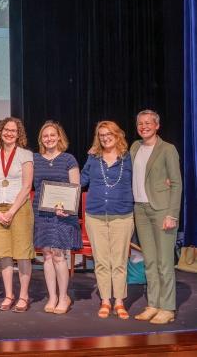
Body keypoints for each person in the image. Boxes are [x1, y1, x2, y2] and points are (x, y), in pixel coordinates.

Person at [131, 110, 182, 324]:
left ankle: (167, 308)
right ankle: (153, 304)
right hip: (140, 210)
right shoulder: (134, 147)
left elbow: (176, 183)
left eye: (148, 123)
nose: (144, 126)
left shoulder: (167, 149)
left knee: (164, 262)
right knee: (149, 262)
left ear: (157, 126)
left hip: (162, 211)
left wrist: (172, 214)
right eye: (140, 123)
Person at [80, 120, 134, 320]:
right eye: (101, 134)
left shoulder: (128, 158)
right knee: (101, 262)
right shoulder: (93, 158)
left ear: (117, 134)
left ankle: (119, 302)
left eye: (108, 133)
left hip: (122, 215)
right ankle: (105, 300)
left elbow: (141, 180)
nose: (105, 137)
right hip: (95, 216)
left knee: (118, 262)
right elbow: (81, 180)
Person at [0, 117, 34, 313]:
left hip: (19, 209)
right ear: (0, 132)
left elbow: (27, 185)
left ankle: (23, 296)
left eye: (13, 130)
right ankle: (8, 295)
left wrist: (12, 211)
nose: (9, 133)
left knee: (22, 254)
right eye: (6, 129)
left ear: (18, 134)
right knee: (4, 254)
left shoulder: (25, 154)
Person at [32, 121, 80, 315]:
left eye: (53, 135)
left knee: (59, 254)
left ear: (59, 137)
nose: (49, 138)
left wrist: (67, 209)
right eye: (45, 136)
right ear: (41, 139)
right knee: (47, 255)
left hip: (62, 214)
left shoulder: (68, 159)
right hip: (42, 212)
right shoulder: (35, 159)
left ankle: (63, 297)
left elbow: (75, 187)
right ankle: (52, 296)